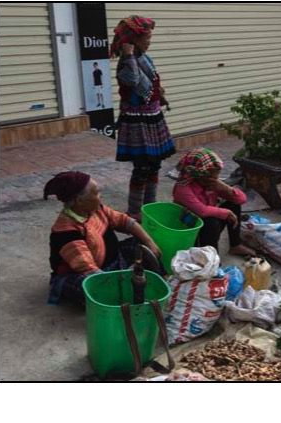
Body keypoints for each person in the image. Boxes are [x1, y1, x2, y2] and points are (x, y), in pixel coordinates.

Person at [45, 171, 162, 307]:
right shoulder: (66, 232)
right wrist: (120, 281)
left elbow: (125, 221)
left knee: (145, 246)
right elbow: (89, 269)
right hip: (83, 275)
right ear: (79, 200)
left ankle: (128, 281)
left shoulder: (95, 209)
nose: (100, 196)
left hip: (113, 262)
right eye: (96, 193)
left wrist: (149, 243)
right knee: (90, 291)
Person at [110, 16, 176, 221]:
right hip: (137, 120)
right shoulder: (126, 62)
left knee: (154, 164)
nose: (149, 41)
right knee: (142, 167)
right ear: (133, 41)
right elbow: (133, 80)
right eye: (147, 38)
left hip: (152, 117)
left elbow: (152, 81)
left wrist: (160, 94)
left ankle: (150, 206)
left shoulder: (145, 58)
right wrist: (128, 55)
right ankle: (135, 211)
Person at [172, 148, 255, 257]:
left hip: (205, 226)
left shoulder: (212, 183)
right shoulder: (183, 189)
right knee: (211, 222)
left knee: (233, 204)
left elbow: (242, 199)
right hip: (190, 228)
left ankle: (235, 245)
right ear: (199, 174)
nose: (214, 178)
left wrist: (226, 188)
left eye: (215, 175)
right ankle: (211, 258)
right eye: (211, 176)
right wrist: (226, 213)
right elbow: (202, 211)